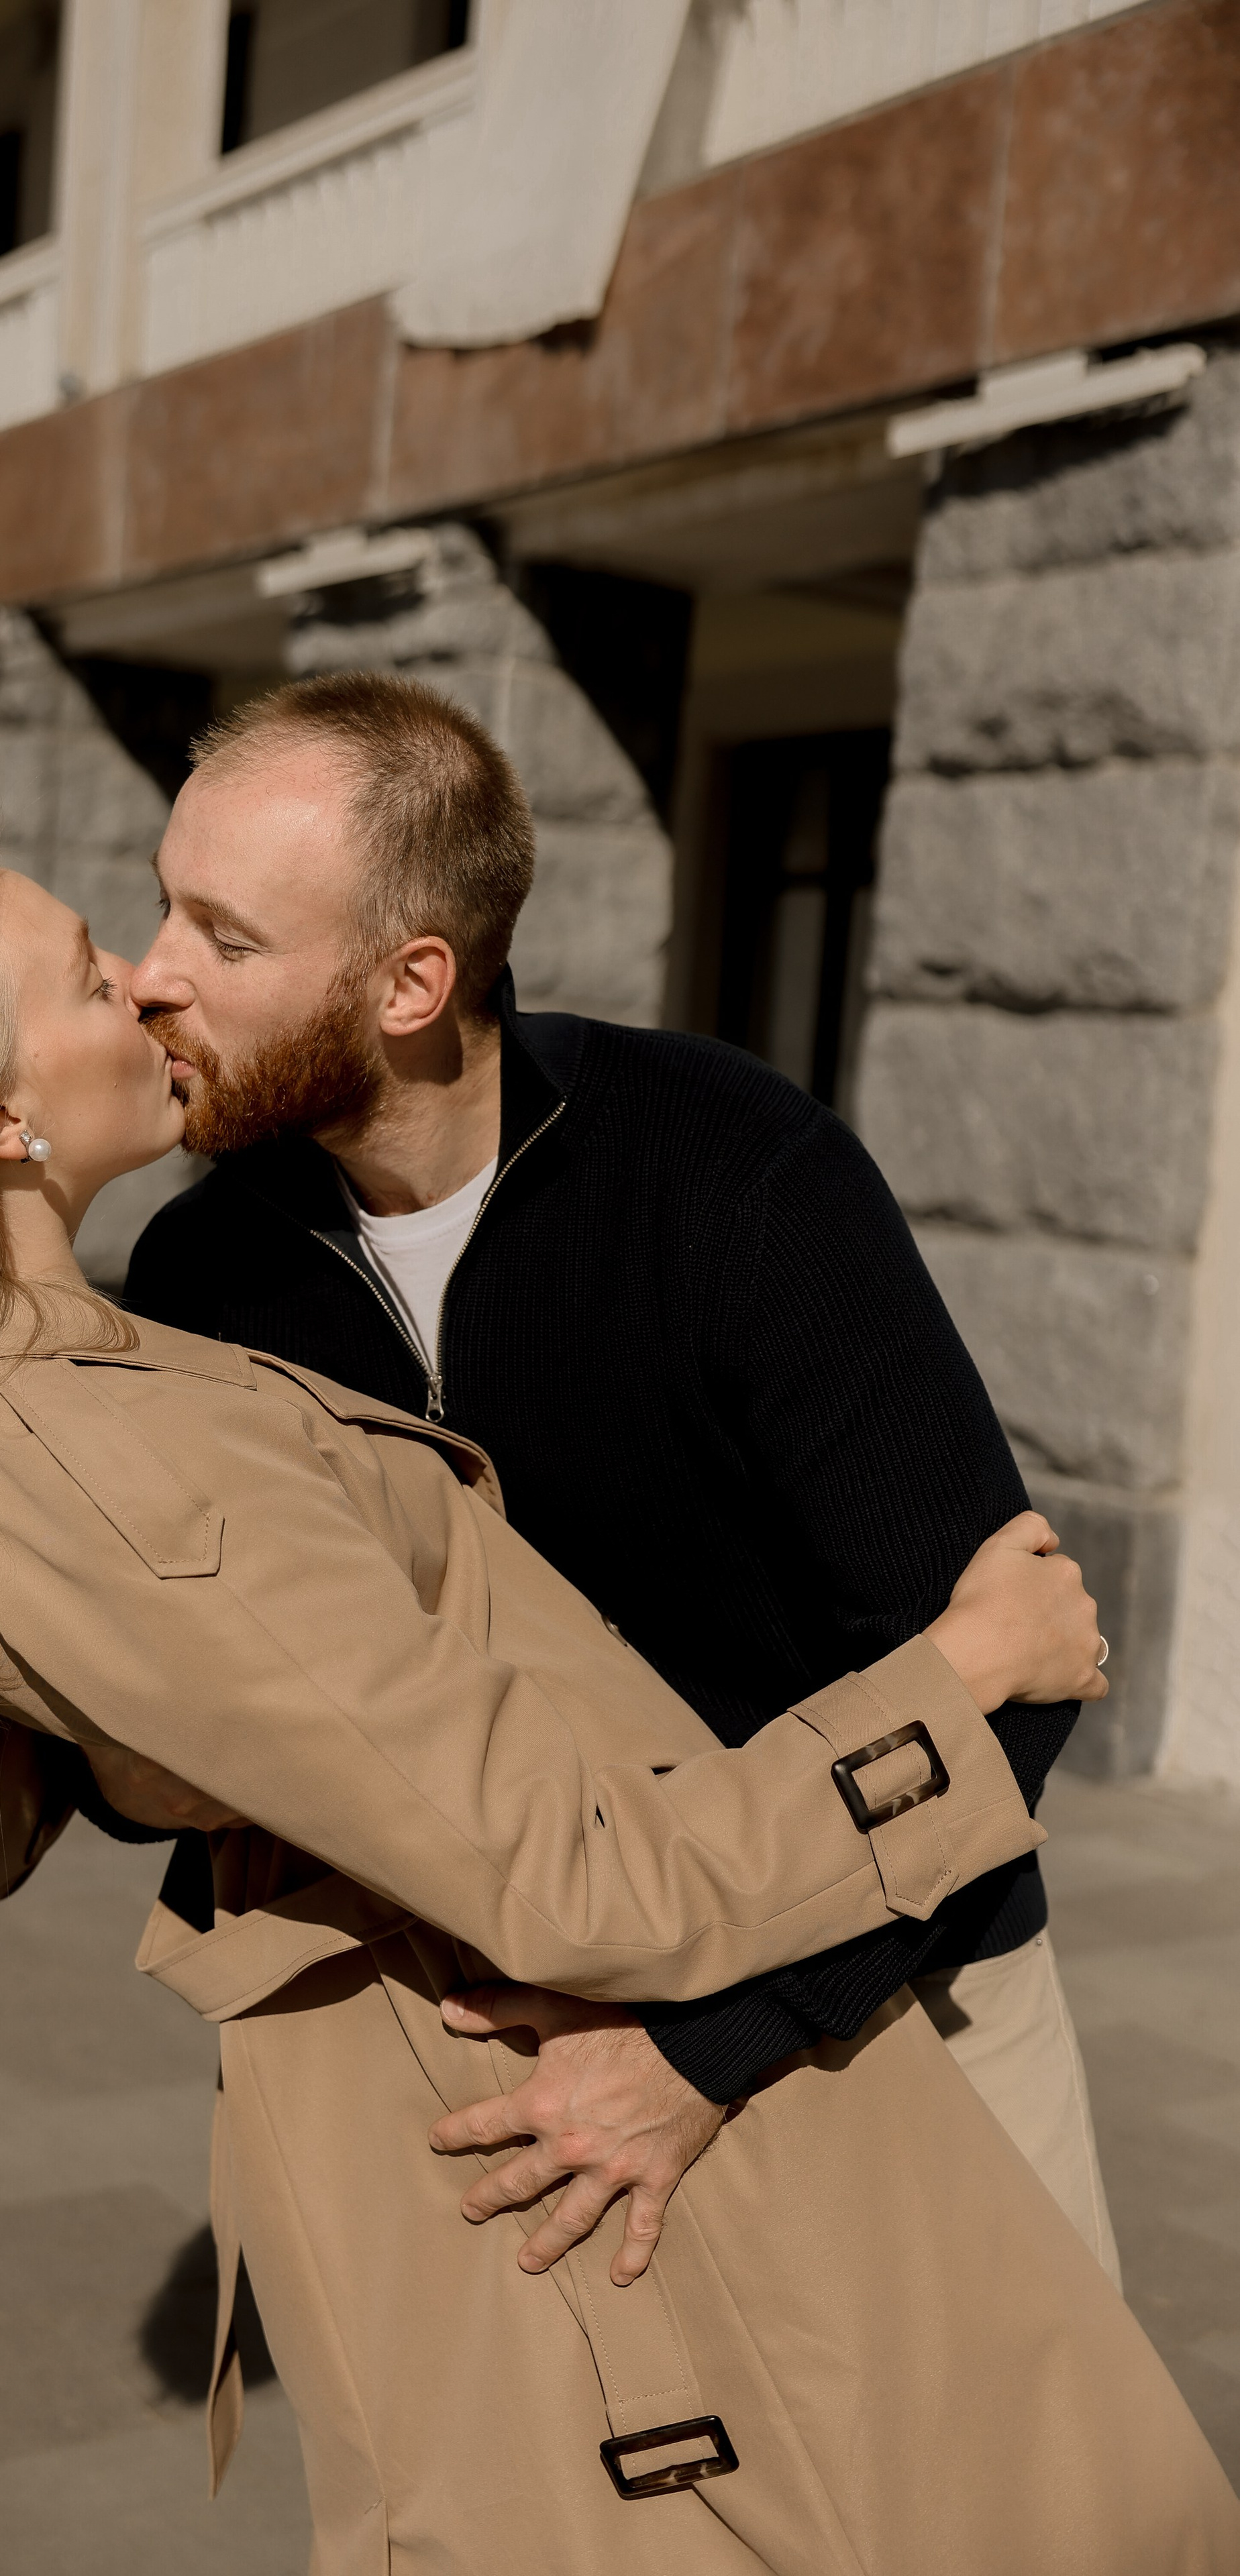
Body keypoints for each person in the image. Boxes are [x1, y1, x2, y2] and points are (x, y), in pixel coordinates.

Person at [0, 837, 1235, 2574]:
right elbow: (576, 1876)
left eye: (197, 931)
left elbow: (16, 1809)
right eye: (89, 969)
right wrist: (962, 1684)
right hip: (646, 2062)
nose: (143, 979)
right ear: (0, 1118)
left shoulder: (45, 1390)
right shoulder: (89, 1442)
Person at [121, 672, 1119, 2288]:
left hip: (879, 1994)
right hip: (502, 2062)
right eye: (163, 905)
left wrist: (703, 2052)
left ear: (409, 981)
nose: (151, 976)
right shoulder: (199, 1274)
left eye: (225, 940)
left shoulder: (734, 1171)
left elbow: (1011, 1676)